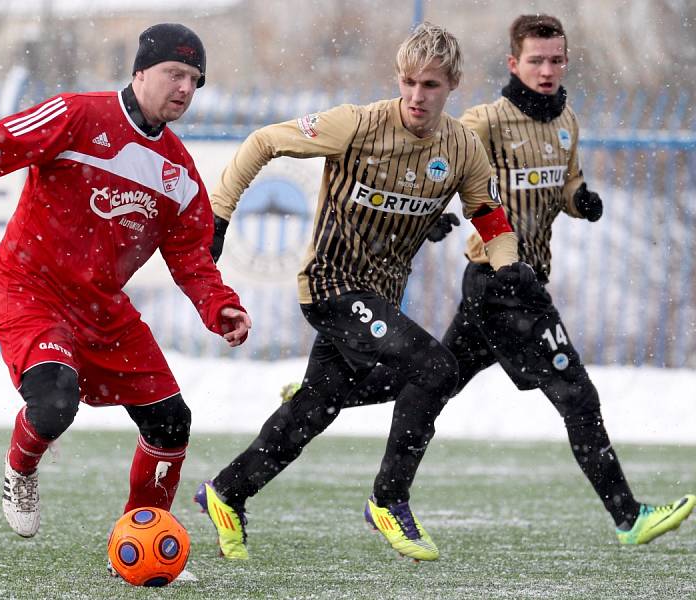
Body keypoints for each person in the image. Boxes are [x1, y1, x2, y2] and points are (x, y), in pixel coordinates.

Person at [284, 14, 695, 547]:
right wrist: (427, 215)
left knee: (440, 378)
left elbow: (566, 183)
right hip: (501, 284)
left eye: (555, 60)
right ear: (513, 64)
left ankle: (325, 393)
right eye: (536, 60)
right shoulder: (485, 121)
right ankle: (627, 516)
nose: (547, 70)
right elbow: (435, 158)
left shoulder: (566, 119)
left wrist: (579, 200)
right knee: (578, 396)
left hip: (516, 282)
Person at [193, 22, 541, 562]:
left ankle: (227, 492)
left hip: (377, 298)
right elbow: (262, 142)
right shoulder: (354, 125)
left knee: (316, 409)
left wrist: (509, 265)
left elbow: (490, 218)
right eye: (408, 82)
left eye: (430, 85)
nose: (416, 96)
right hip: (330, 286)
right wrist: (217, 215)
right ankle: (388, 500)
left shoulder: (462, 147)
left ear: (453, 85)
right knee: (438, 368)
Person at [0, 23, 252, 545]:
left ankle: (140, 534)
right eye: (173, 73)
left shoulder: (179, 172)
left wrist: (220, 306)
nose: (184, 88)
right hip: (31, 289)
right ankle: (20, 468)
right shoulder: (78, 114)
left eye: (194, 79)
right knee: (54, 404)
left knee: (172, 423)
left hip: (103, 308)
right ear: (139, 72)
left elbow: (192, 258)